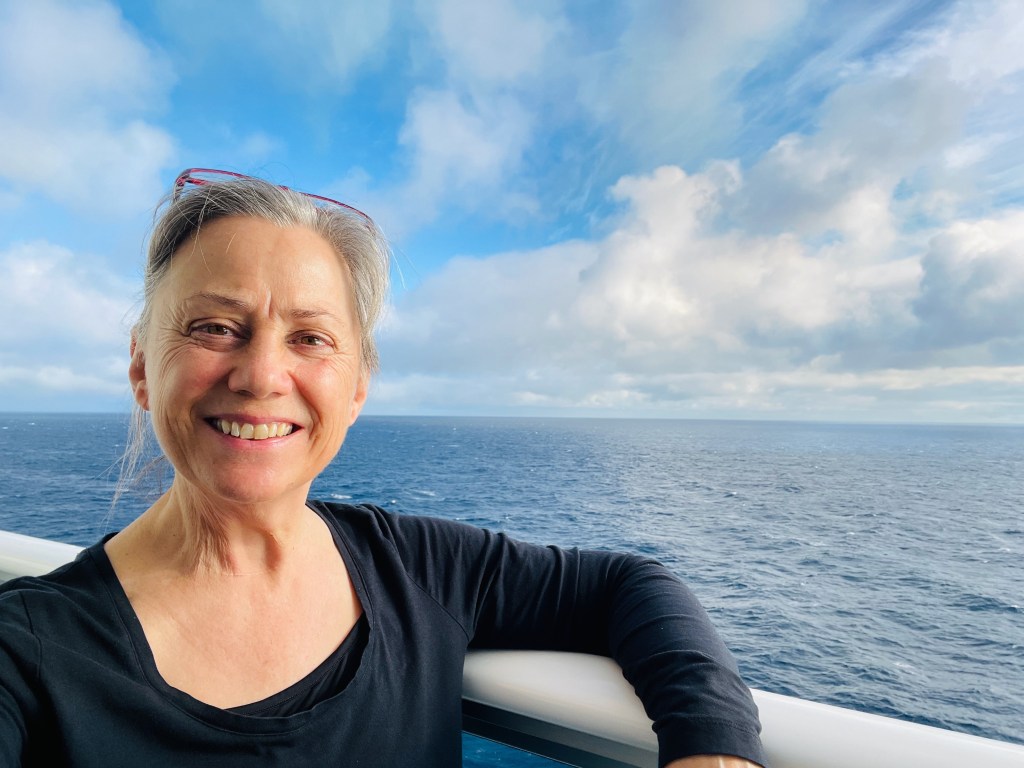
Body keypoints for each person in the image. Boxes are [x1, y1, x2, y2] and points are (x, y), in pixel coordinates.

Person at [0, 169, 768, 767]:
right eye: (214, 327)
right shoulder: (28, 654)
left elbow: (627, 584)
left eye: (310, 338)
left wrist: (711, 742)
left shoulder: (416, 572)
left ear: (358, 387)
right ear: (142, 365)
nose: (261, 375)